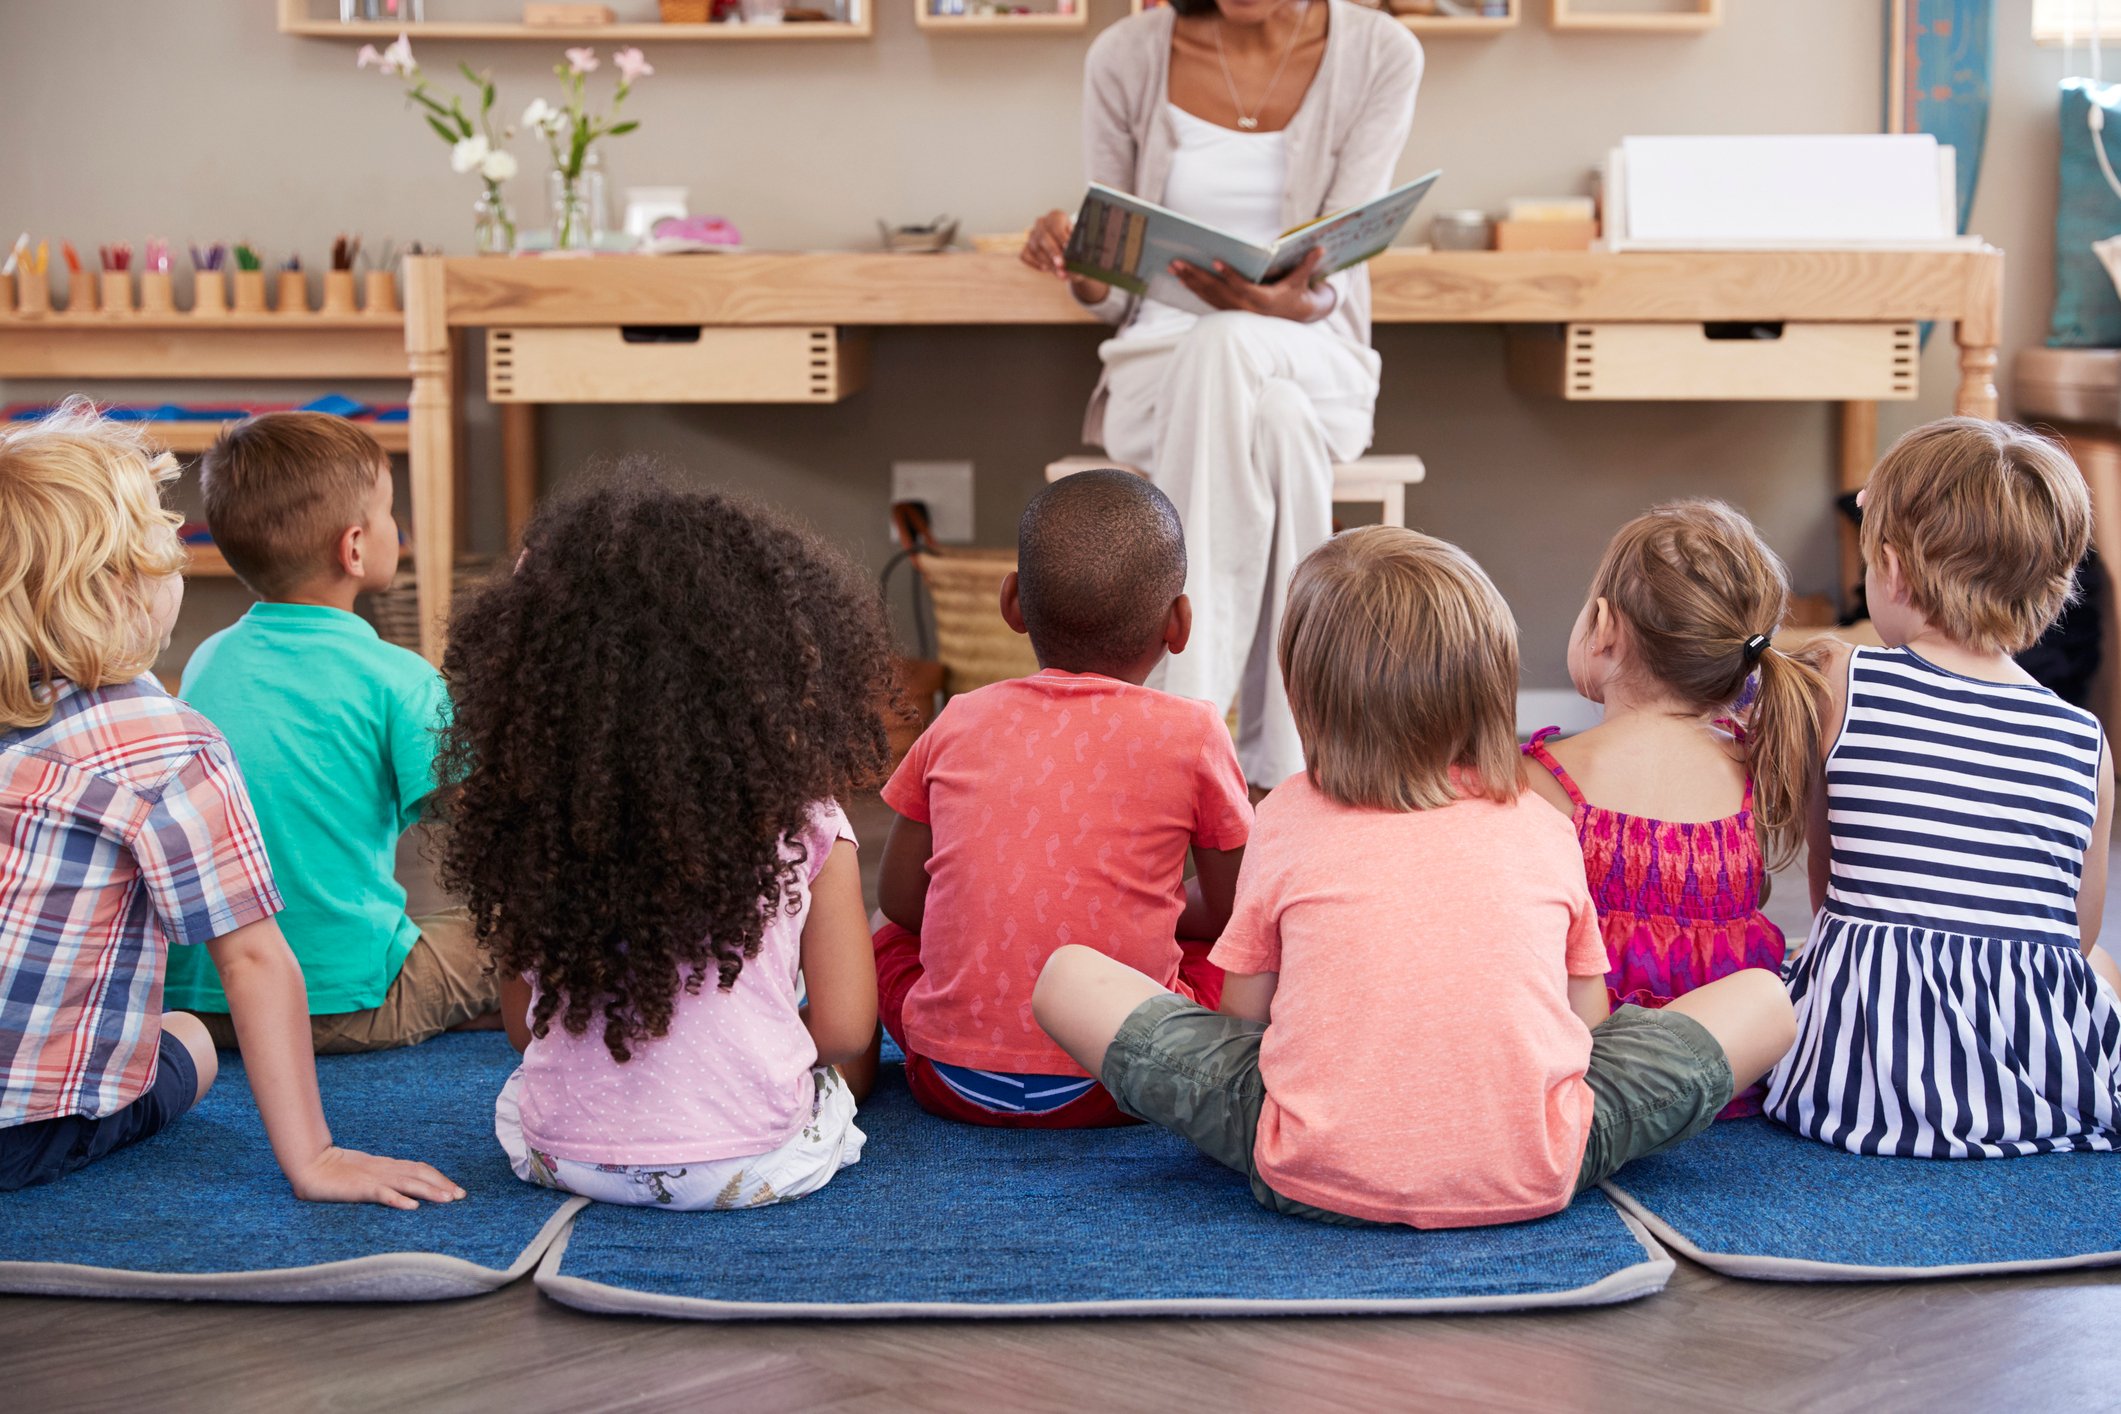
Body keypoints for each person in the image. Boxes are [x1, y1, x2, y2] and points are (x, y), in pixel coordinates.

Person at [1033, 527, 1795, 1228]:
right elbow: (1588, 1030)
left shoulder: (1288, 814)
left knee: (1067, 976)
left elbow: (1243, 1024)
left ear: (1305, 698)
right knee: (1765, 998)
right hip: (1541, 1166)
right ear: (1491, 688)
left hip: (1304, 1167)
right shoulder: (1541, 818)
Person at [0, 402, 462, 1206]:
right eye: (166, 553)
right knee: (188, 1048)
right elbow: (251, 958)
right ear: (120, 587)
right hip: (23, 1135)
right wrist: (315, 1157)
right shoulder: (167, 742)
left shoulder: (207, 665)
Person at [441, 476, 889, 1210]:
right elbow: (843, 1029)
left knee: (526, 1088)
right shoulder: (808, 821)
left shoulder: (533, 818)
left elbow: (526, 1033)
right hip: (757, 1166)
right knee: (833, 1064)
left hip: (564, 1160)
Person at [1022, 0, 1422, 792]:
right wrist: (1078, 257)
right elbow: (1112, 292)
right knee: (1267, 414)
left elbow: (1332, 270)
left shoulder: (1381, 52)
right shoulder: (1124, 55)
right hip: (1156, 367)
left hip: (1314, 354)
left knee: (1230, 343)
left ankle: (1177, 742)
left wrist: (1277, 305)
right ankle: (1296, 761)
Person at [1767, 418, 2121, 1156]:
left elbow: (1831, 886)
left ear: (1890, 571)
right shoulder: (2085, 741)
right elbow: (2074, 933)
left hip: (1861, 1083)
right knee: (2103, 963)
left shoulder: (1843, 679)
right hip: (2033, 1092)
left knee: (1788, 964)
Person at [873, 470, 1252, 1126]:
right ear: (1178, 622)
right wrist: (1146, 912)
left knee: (883, 945)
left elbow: (902, 903)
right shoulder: (1194, 734)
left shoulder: (957, 719)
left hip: (949, 1079)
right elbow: (1236, 913)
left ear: (1012, 603)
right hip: (1120, 1080)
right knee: (1229, 961)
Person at [164, 413, 498, 1051]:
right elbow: (489, 821)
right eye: (390, 513)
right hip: (344, 1003)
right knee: (511, 931)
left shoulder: (205, 661)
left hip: (212, 999)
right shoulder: (399, 678)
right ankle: (439, 1007)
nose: (396, 528)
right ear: (353, 548)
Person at [1525, 501, 1826, 1117]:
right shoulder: (1753, 767)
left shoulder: (1542, 778)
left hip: (1587, 1059)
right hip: (1720, 1063)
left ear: (1602, 624)